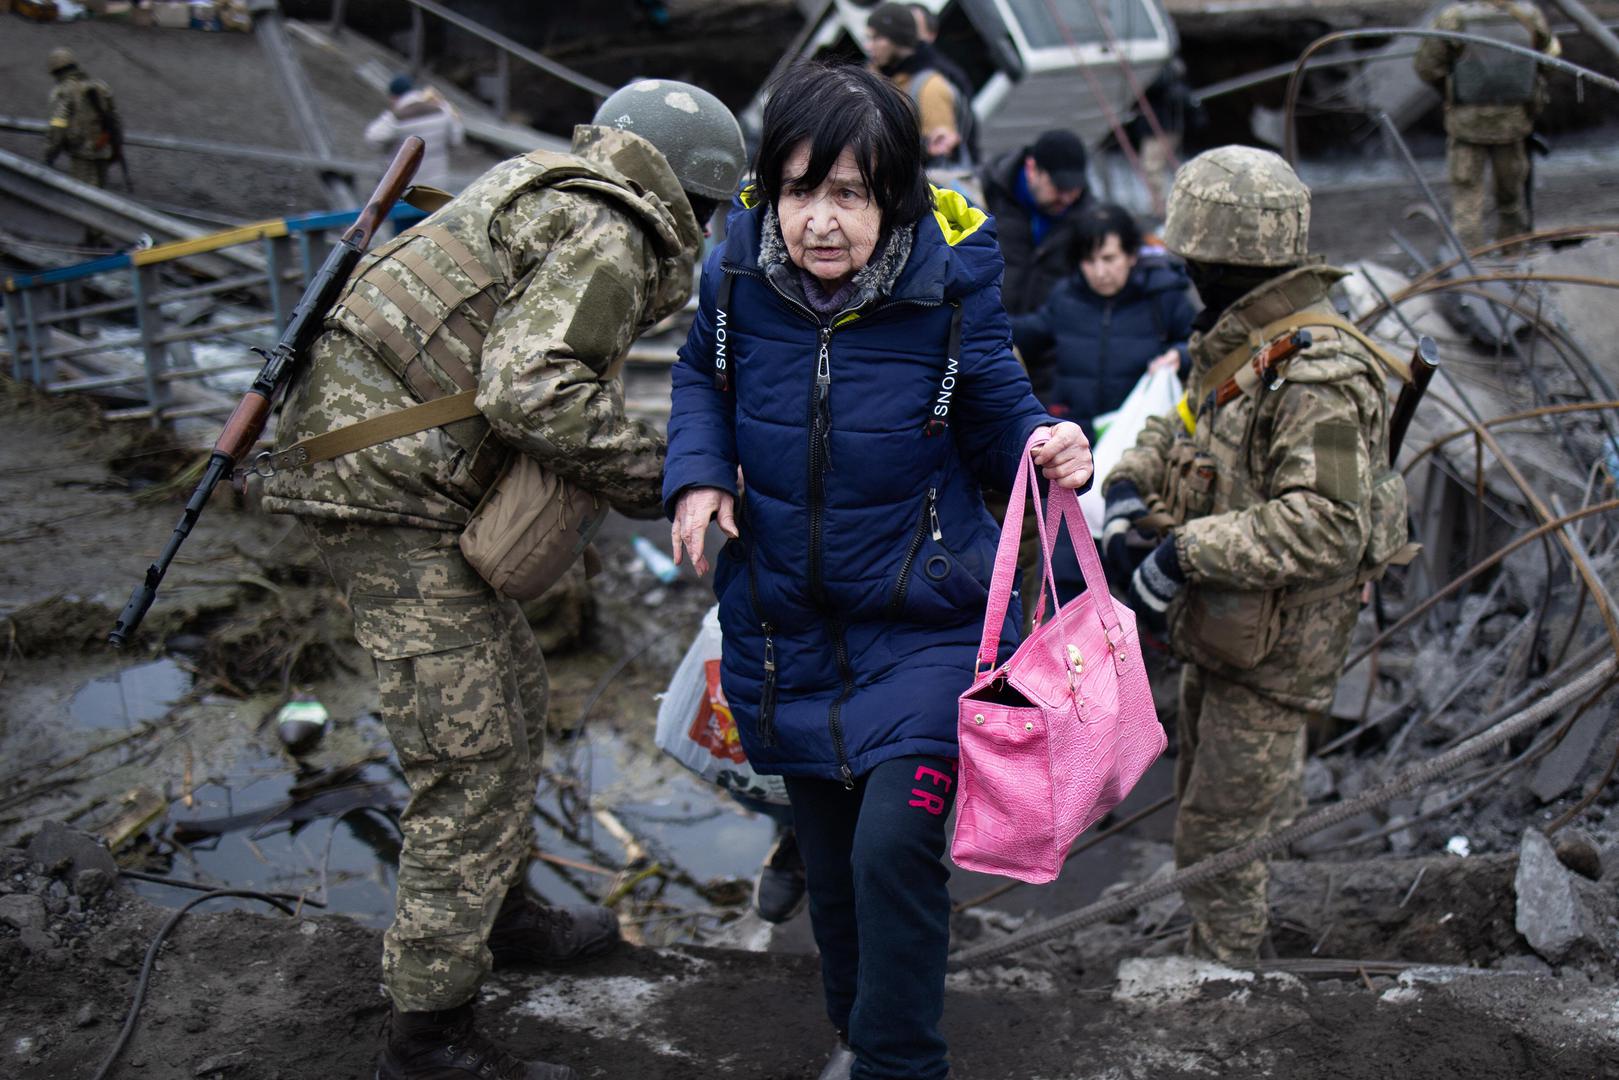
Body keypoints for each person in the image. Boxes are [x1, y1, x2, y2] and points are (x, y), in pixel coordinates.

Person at [260, 80, 747, 1080]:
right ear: (696, 196)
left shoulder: (553, 183)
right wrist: (661, 477)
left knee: (517, 697)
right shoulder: (610, 232)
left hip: (386, 475)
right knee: (470, 757)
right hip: (385, 499)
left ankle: (502, 911)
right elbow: (529, 386)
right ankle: (427, 1034)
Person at [664, 62, 1092, 1080]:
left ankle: (900, 1064)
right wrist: (691, 475)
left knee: (889, 849)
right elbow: (698, 378)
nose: (820, 220)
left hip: (924, 623)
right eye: (801, 189)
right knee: (830, 867)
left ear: (891, 195)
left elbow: (999, 415)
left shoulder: (947, 288)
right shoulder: (734, 277)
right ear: (769, 187)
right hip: (786, 628)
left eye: (849, 194)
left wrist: (1047, 443)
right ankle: (857, 1036)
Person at [1102, 146, 1411, 964]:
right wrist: (1131, 482)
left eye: (1194, 261)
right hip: (1229, 628)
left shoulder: (1321, 376)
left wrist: (1183, 552)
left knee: (1222, 836)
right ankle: (1220, 937)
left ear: (1225, 261)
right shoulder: (1248, 340)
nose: (1185, 275)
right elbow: (1191, 420)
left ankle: (1226, 989)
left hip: (1275, 655)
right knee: (1204, 800)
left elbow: (1329, 522)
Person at [1012, 202, 1197, 438]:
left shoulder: (1162, 295)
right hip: (1075, 436)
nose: (1100, 272)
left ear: (1131, 256)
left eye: (1109, 259)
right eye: (1089, 261)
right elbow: (1029, 332)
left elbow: (1201, 343)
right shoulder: (1066, 297)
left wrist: (1179, 356)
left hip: (1139, 435)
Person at [1413, 0, 1559, 250]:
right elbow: (1549, 60)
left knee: (1467, 201)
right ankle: (1513, 252)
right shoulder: (1529, 15)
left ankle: (1471, 262)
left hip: (1467, 124)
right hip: (1513, 122)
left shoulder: (1453, 18)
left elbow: (1426, 66)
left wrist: (1454, 89)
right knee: (1511, 199)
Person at [977, 129, 1091, 316]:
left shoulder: (1087, 216)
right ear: (1031, 169)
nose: (1067, 198)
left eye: (1074, 188)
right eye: (1059, 187)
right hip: (984, 329)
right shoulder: (984, 194)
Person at [864, 2, 974, 168]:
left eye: (877, 38)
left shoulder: (930, 87)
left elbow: (940, 158)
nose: (869, 46)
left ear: (897, 40)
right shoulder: (887, 79)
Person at [365, 74, 466, 190]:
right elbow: (456, 139)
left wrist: (387, 147)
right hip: (437, 183)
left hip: (406, 185)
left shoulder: (397, 117)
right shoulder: (442, 110)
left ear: (394, 97)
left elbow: (372, 137)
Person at [43, 48, 121, 190]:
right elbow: (114, 119)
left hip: (82, 153)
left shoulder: (63, 92)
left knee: (83, 196)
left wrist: (49, 153)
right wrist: (115, 148)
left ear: (55, 71)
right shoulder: (100, 86)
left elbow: (58, 125)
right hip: (103, 150)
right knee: (101, 195)